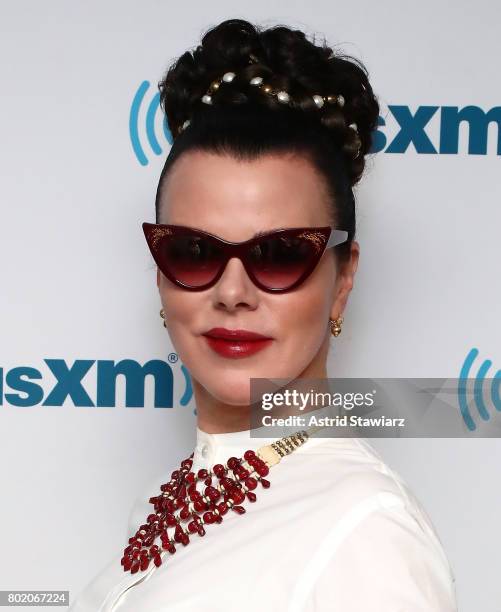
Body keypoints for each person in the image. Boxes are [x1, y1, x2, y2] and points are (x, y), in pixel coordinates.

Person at [70, 18, 458, 611]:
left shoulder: (364, 529)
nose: (232, 291)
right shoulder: (161, 503)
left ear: (343, 278)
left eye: (279, 254)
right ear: (159, 269)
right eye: (193, 250)